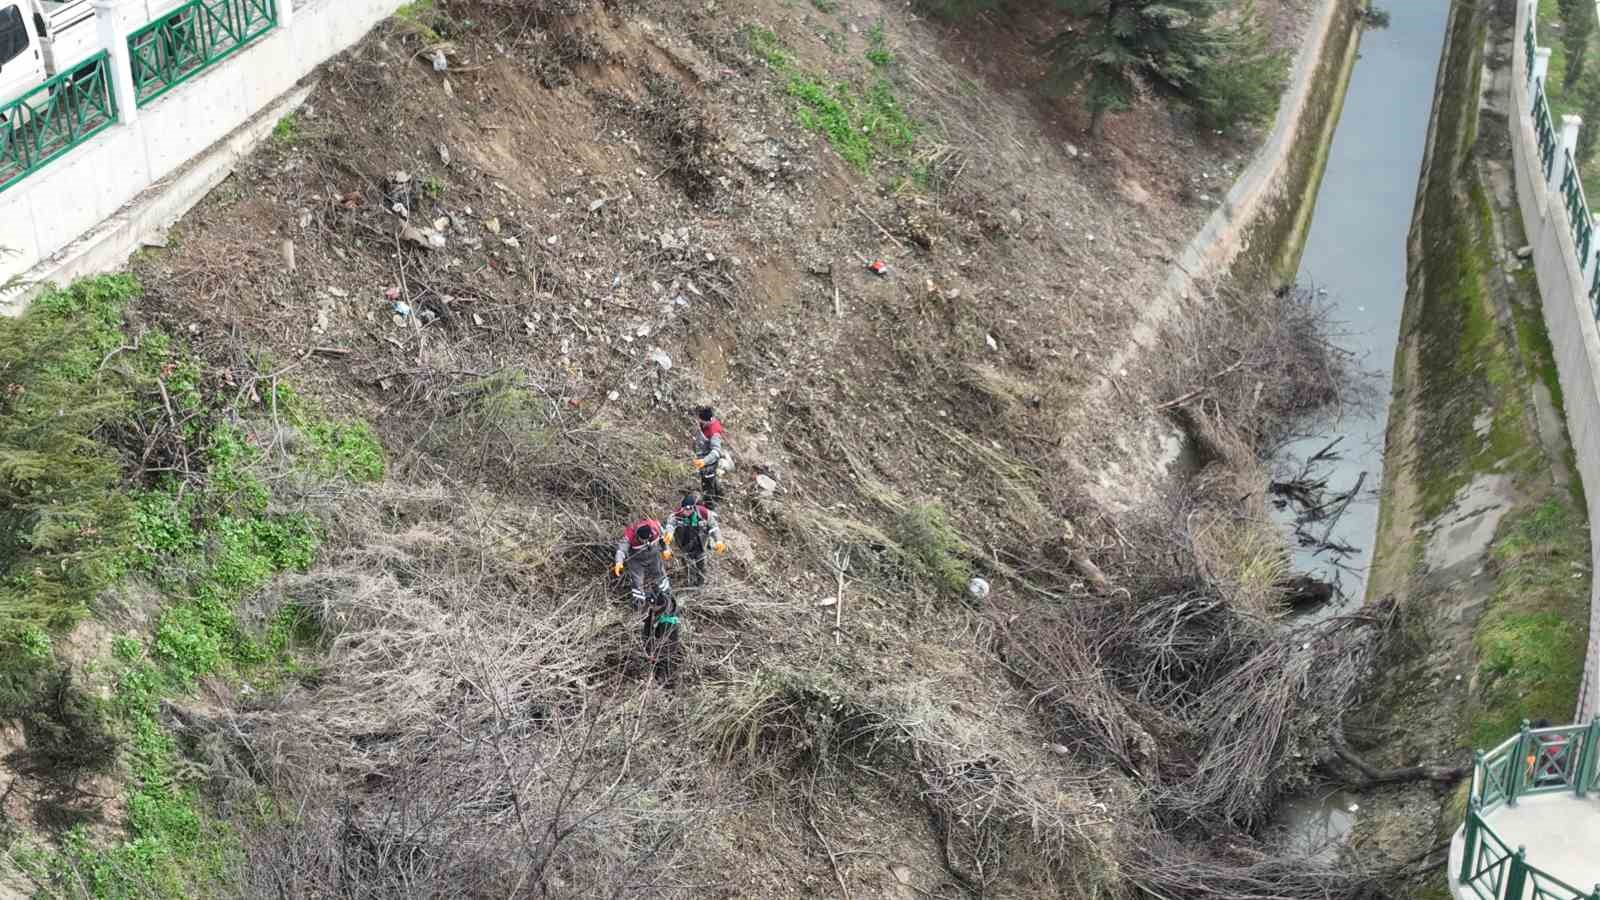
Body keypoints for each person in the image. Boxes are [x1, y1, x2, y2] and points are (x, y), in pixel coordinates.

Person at [613, 518, 679, 678]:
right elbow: (621, 550)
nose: (645, 541)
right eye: (642, 540)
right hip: (636, 559)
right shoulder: (630, 535)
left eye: (647, 539)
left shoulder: (655, 527)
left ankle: (666, 594)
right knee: (637, 584)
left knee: (660, 577)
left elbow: (664, 538)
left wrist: (666, 549)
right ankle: (639, 605)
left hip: (653, 555)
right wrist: (618, 562)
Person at [665, 493, 726, 586]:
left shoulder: (704, 513)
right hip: (685, 545)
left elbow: (714, 527)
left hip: (700, 543)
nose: (684, 512)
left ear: (693, 507)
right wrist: (669, 534)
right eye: (683, 509)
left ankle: (701, 582)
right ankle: (690, 583)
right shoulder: (677, 516)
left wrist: (719, 541)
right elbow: (670, 525)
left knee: (701, 565)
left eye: (687, 509)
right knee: (688, 567)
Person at [691, 406, 727, 508]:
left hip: (709, 462)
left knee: (707, 484)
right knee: (712, 479)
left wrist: (704, 461)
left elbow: (716, 452)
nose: (699, 421)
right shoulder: (706, 423)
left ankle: (709, 506)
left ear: (707, 420)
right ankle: (719, 495)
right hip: (703, 457)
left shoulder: (714, 432)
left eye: (701, 420)